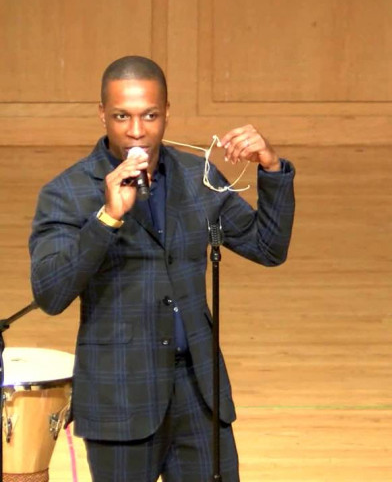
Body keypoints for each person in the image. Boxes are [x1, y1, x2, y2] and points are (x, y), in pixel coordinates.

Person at [29, 55, 295, 481]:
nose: (137, 130)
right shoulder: (67, 193)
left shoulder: (197, 176)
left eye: (150, 115)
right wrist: (107, 219)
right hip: (121, 399)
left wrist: (271, 167)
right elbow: (50, 293)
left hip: (198, 394)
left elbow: (267, 246)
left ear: (167, 112)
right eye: (122, 116)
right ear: (102, 115)